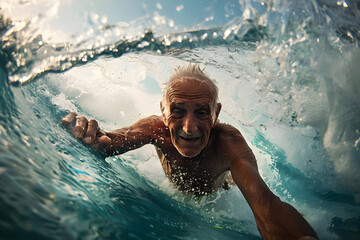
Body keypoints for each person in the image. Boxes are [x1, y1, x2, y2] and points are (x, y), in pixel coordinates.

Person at [62, 64, 318, 240]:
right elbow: (111, 140)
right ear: (163, 111)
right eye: (178, 111)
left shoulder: (228, 144)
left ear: (216, 113)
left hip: (221, 192)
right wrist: (89, 134)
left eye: (202, 112)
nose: (189, 127)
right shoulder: (155, 129)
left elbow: (265, 204)